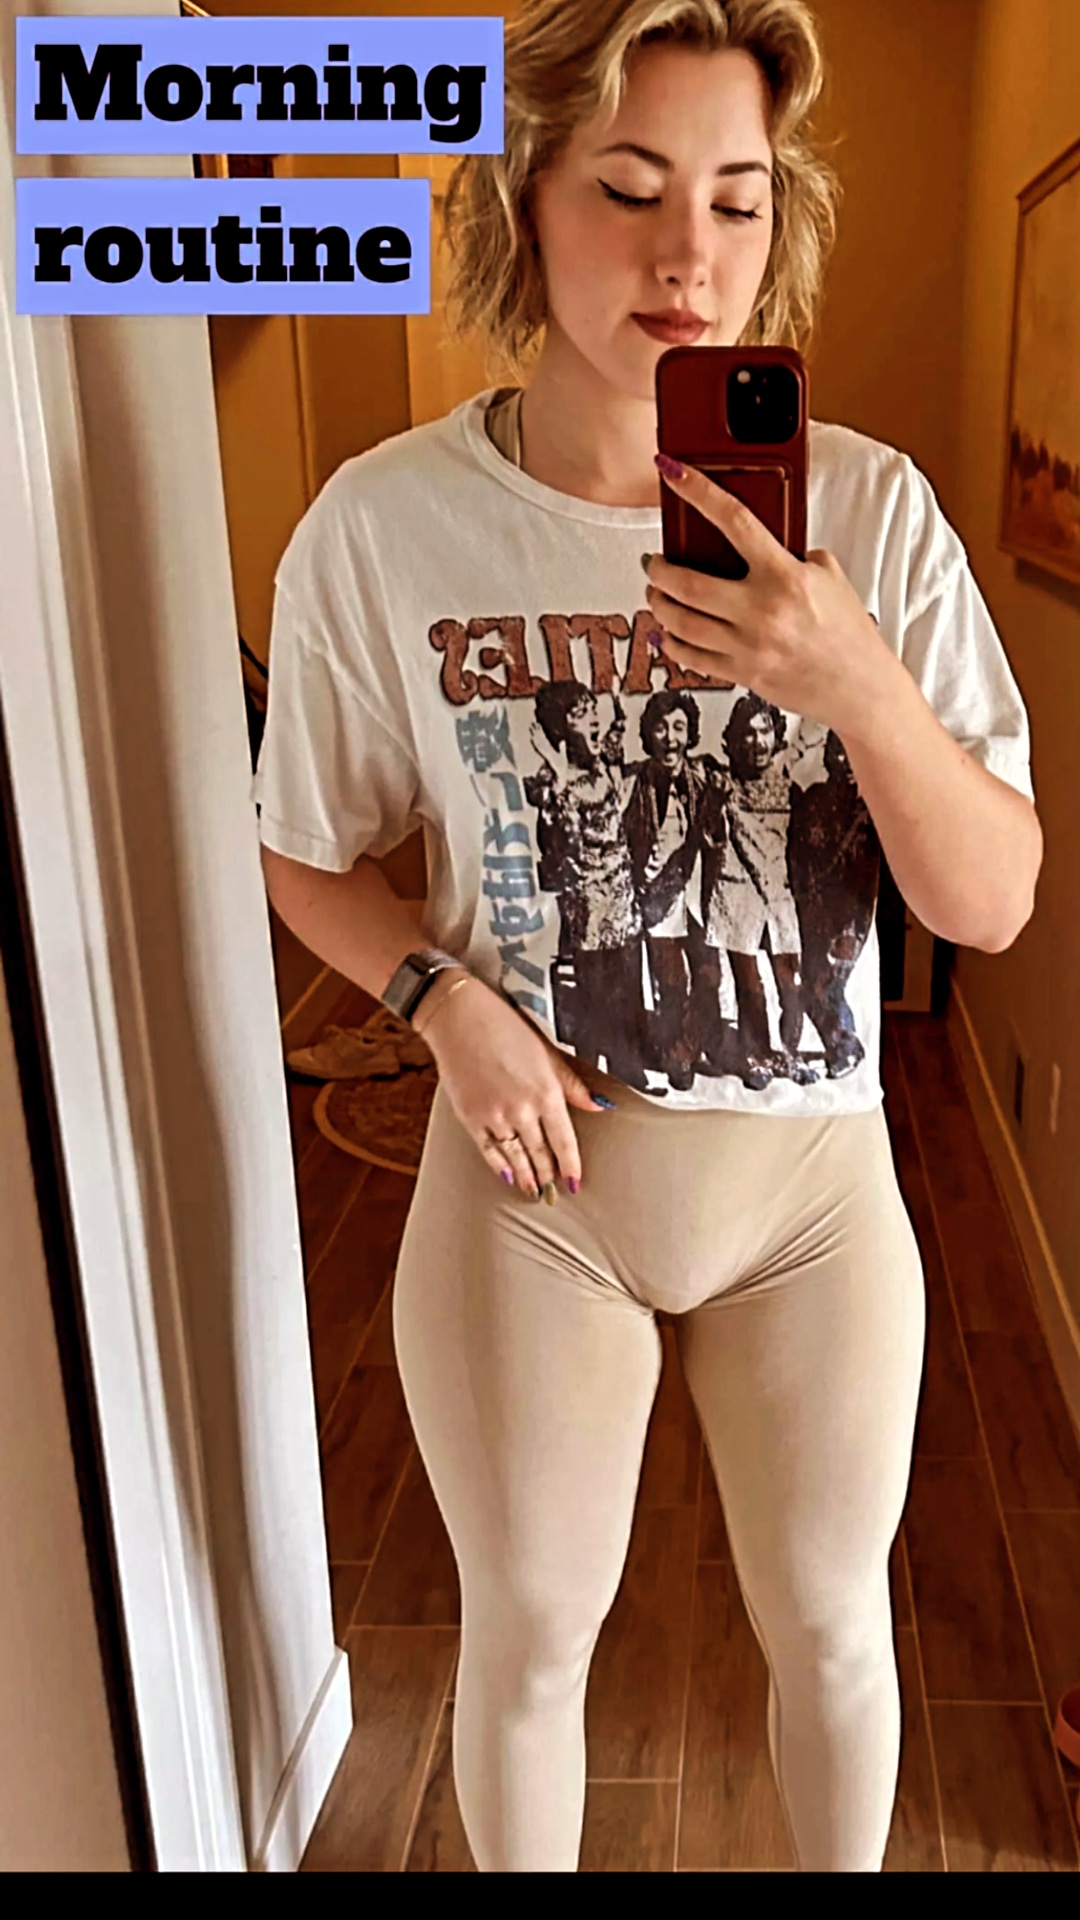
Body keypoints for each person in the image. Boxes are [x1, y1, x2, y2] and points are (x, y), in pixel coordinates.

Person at [254, 0, 1041, 1874]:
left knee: (838, 1636)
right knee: (529, 1644)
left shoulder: (869, 518)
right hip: (534, 1191)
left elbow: (992, 898)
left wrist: (854, 677)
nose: (691, 253)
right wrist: (440, 1001)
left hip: (809, 1188)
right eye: (628, 189)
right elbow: (302, 853)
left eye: (739, 200)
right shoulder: (387, 528)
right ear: (522, 197)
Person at [525, 679, 650, 1088]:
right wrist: (560, 777)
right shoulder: (551, 781)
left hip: (622, 894)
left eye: (593, 711)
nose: (594, 722)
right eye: (581, 716)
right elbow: (559, 842)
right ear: (560, 729)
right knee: (596, 988)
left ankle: (630, 1065)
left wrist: (617, 703)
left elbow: (616, 734)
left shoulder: (603, 764)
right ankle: (598, 1070)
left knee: (628, 981)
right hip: (588, 903)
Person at [700, 692, 825, 1089]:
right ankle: (755, 1056)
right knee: (749, 984)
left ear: (776, 736)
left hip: (780, 895)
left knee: (792, 982)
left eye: (764, 731)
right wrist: (714, 802)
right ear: (734, 740)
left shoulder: (787, 780)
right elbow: (708, 836)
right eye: (748, 733)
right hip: (737, 894)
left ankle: (788, 1053)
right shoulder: (723, 784)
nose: (756, 742)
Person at [787, 728, 880, 1078]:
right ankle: (839, 1046)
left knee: (829, 984)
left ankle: (845, 1046)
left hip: (850, 915)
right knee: (814, 980)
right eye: (838, 751)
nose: (845, 761)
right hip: (812, 909)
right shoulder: (814, 800)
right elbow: (798, 851)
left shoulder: (872, 807)